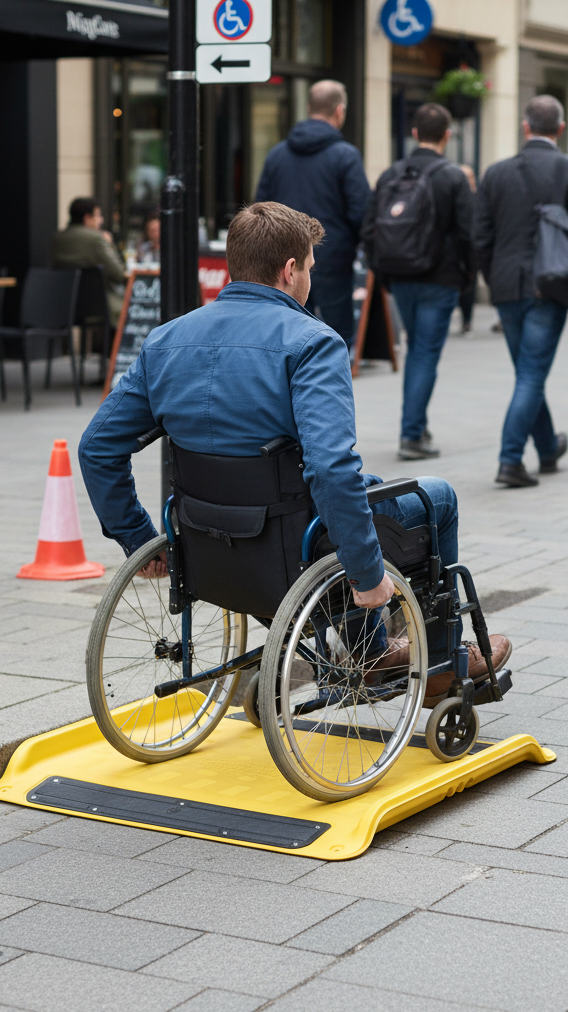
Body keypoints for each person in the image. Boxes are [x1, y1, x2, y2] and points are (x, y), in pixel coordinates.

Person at [78, 201, 509, 707]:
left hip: (207, 549)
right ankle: (431, 665)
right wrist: (369, 576)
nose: (309, 278)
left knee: (344, 496)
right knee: (437, 496)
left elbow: (97, 447)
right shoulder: (311, 342)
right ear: (289, 271)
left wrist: (138, 538)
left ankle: (373, 649)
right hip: (290, 547)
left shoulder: (165, 341)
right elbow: (330, 468)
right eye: (308, 267)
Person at [475, 95, 568, 488]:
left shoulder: (495, 173)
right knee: (531, 373)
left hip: (507, 287)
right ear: (560, 129)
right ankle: (510, 460)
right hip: (550, 286)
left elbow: (479, 236)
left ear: (526, 127)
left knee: (527, 371)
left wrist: (493, 276)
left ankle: (547, 448)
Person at [362, 103, 475, 461]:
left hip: (400, 278)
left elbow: (368, 231)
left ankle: (417, 425)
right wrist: (467, 280)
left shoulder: (390, 174)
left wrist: (384, 275)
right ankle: (411, 435)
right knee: (424, 354)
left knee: (416, 353)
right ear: (447, 135)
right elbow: (470, 235)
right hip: (439, 280)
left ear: (414, 134)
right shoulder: (453, 177)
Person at [254, 80, 371, 348]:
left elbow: (260, 209)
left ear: (309, 108)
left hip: (284, 263)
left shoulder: (277, 154)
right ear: (339, 111)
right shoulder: (345, 155)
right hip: (333, 260)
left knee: (286, 333)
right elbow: (361, 211)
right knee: (335, 336)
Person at [52, 197, 128, 321]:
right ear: (87, 218)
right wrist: (110, 244)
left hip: (64, 304)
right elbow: (119, 274)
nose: (101, 220)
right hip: (99, 306)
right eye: (98, 216)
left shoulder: (57, 238)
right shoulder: (96, 238)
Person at [457, 164, 478, 335]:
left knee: (470, 287)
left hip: (472, 249)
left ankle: (467, 319)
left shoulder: (478, 197)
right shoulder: (453, 194)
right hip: (455, 251)